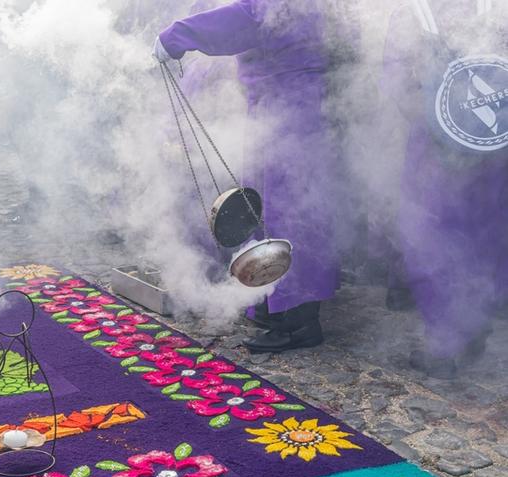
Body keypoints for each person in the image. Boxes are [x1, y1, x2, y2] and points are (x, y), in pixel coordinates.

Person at [154, 0, 340, 353]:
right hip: (274, 101)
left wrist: (178, 35)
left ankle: (299, 321)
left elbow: (248, 18)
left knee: (291, 213)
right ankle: (273, 301)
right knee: (263, 209)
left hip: (291, 104)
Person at [383, 0, 508, 379]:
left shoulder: (412, 11)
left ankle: (446, 345)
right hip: (495, 142)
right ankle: (475, 323)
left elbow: (395, 83)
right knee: (487, 232)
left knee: (429, 238)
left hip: (436, 147)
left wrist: (434, 124)